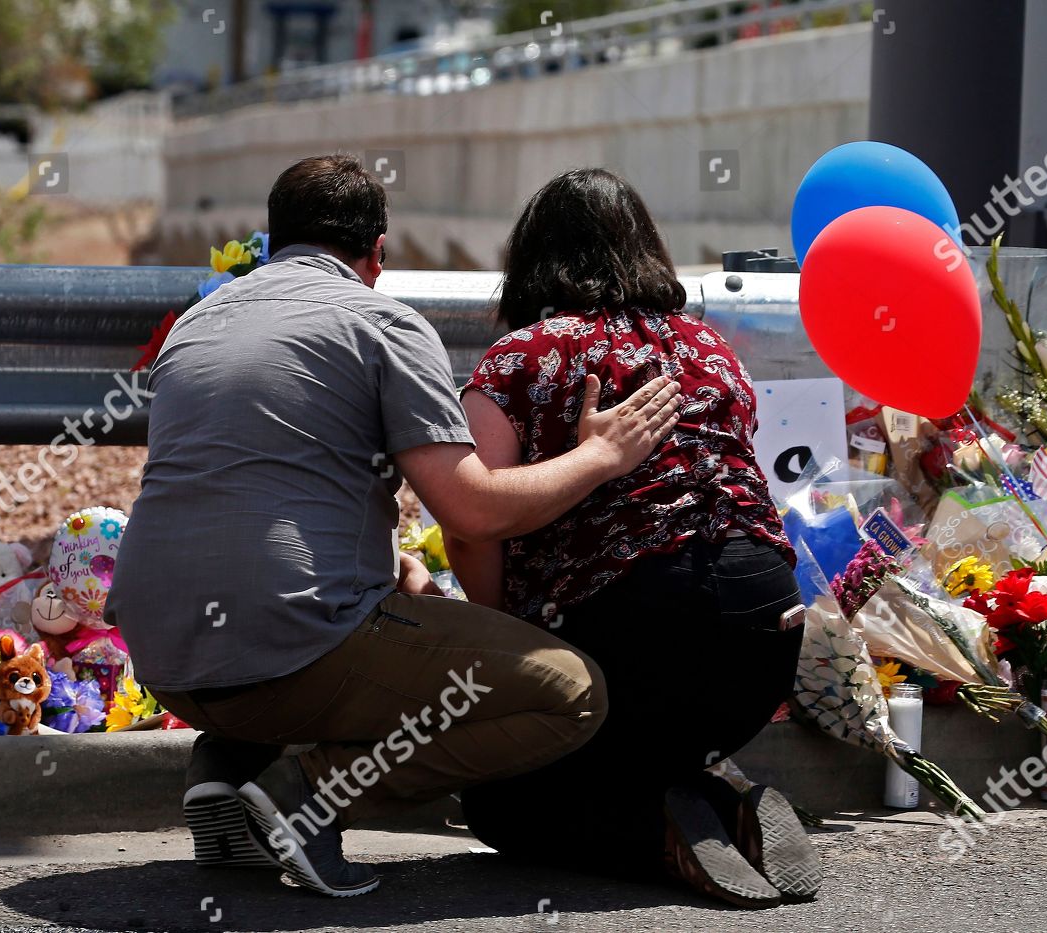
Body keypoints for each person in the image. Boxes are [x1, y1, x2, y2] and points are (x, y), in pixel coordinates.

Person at [107, 154, 682, 898]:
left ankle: (224, 773)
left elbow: (256, 493)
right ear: (378, 252)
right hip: (288, 653)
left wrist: (386, 567)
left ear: (273, 242)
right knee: (569, 691)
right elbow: (472, 509)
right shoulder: (380, 321)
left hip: (163, 656)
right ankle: (310, 794)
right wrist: (601, 455)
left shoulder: (196, 322)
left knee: (310, 618)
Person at [449, 168, 820, 909]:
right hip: (766, 637)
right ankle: (730, 803)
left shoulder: (522, 358)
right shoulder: (713, 349)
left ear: (532, 258)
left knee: (498, 803)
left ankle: (659, 836)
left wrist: (504, 638)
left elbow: (472, 520)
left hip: (629, 641)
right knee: (657, 745)